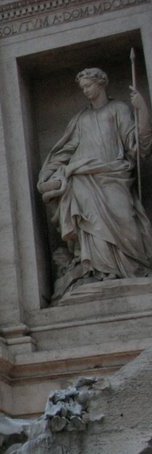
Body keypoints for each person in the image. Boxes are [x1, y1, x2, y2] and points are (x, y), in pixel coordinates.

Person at [37, 68, 152, 295]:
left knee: (125, 220)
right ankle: (100, 271)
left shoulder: (118, 109)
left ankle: (134, 268)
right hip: (83, 178)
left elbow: (137, 146)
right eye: (83, 88)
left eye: (88, 85)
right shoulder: (81, 119)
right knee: (92, 226)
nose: (86, 91)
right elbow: (64, 151)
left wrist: (143, 110)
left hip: (114, 175)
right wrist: (46, 176)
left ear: (101, 83)